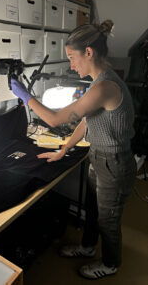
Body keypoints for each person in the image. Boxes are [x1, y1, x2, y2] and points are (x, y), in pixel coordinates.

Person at [11, 20, 137, 280]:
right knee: (93, 210)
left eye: (71, 57)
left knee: (107, 220)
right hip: (99, 157)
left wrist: (26, 97)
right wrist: (64, 148)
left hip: (114, 163)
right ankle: (88, 247)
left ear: (88, 52)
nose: (71, 65)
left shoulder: (105, 86)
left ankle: (112, 263)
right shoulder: (98, 81)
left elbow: (57, 120)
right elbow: (85, 120)